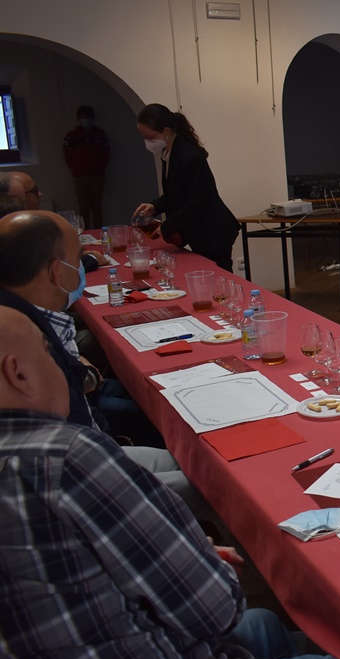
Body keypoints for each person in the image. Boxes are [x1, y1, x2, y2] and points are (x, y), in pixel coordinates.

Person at [0, 307, 340, 659]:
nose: (62, 365)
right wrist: (201, 559)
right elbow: (215, 610)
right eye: (47, 352)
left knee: (264, 624)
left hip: (83, 650)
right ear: (18, 373)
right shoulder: (67, 458)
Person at [0, 210, 208, 517]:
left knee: (203, 465)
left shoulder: (22, 314)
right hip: (78, 474)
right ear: (57, 271)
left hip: (91, 450)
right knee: (217, 490)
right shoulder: (20, 333)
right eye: (78, 258)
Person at [133, 103, 240, 271]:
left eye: (150, 137)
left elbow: (198, 201)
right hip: (199, 229)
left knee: (219, 276)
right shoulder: (168, 153)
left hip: (213, 230)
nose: (148, 143)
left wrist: (167, 226)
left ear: (166, 131)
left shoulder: (189, 155)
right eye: (144, 138)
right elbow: (175, 193)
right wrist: (154, 206)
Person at [63, 104, 110, 231]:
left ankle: (98, 231)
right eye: (84, 117)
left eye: (89, 117)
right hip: (79, 176)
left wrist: (99, 168)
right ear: (79, 118)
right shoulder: (72, 135)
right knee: (83, 206)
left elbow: (105, 154)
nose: (86, 120)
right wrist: (76, 168)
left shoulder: (100, 134)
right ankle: (85, 232)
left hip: (97, 175)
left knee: (97, 206)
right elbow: (67, 156)